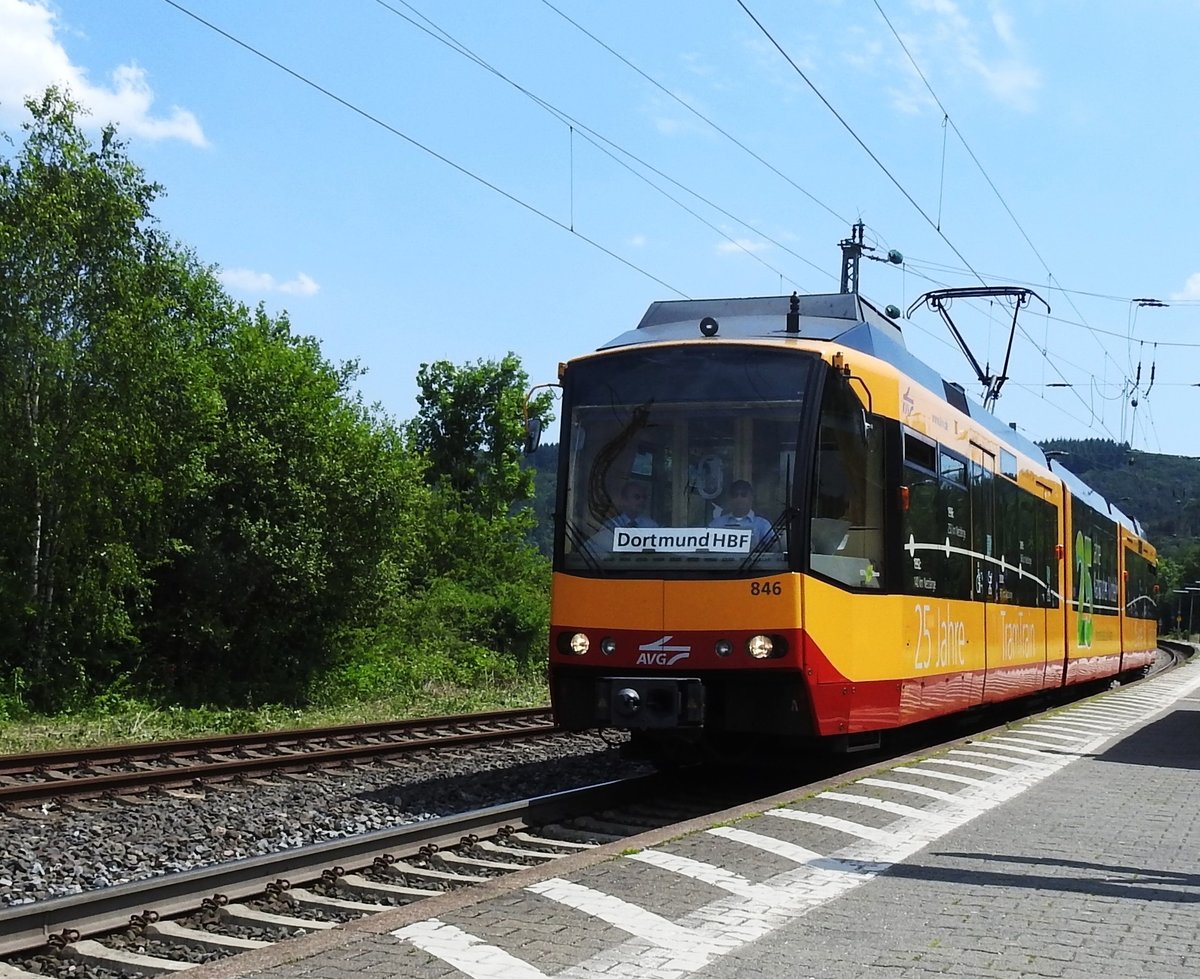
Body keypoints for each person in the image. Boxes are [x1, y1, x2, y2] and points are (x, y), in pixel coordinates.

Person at [709, 480, 778, 549]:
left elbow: (775, 547)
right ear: (730, 499)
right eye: (735, 495)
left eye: (743, 495)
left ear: (751, 498)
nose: (739, 499)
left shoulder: (762, 524)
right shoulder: (717, 524)